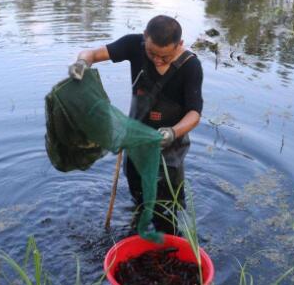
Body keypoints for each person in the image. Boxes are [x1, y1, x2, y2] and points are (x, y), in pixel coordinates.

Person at [68, 15, 204, 235]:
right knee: (138, 193)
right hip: (135, 141)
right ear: (145, 38)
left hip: (169, 147)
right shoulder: (134, 45)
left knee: (167, 206)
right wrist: (81, 63)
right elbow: (92, 53)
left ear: (179, 45)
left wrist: (171, 133)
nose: (157, 60)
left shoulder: (191, 66)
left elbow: (194, 113)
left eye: (165, 56)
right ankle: (139, 230)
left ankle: (169, 238)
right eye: (152, 54)